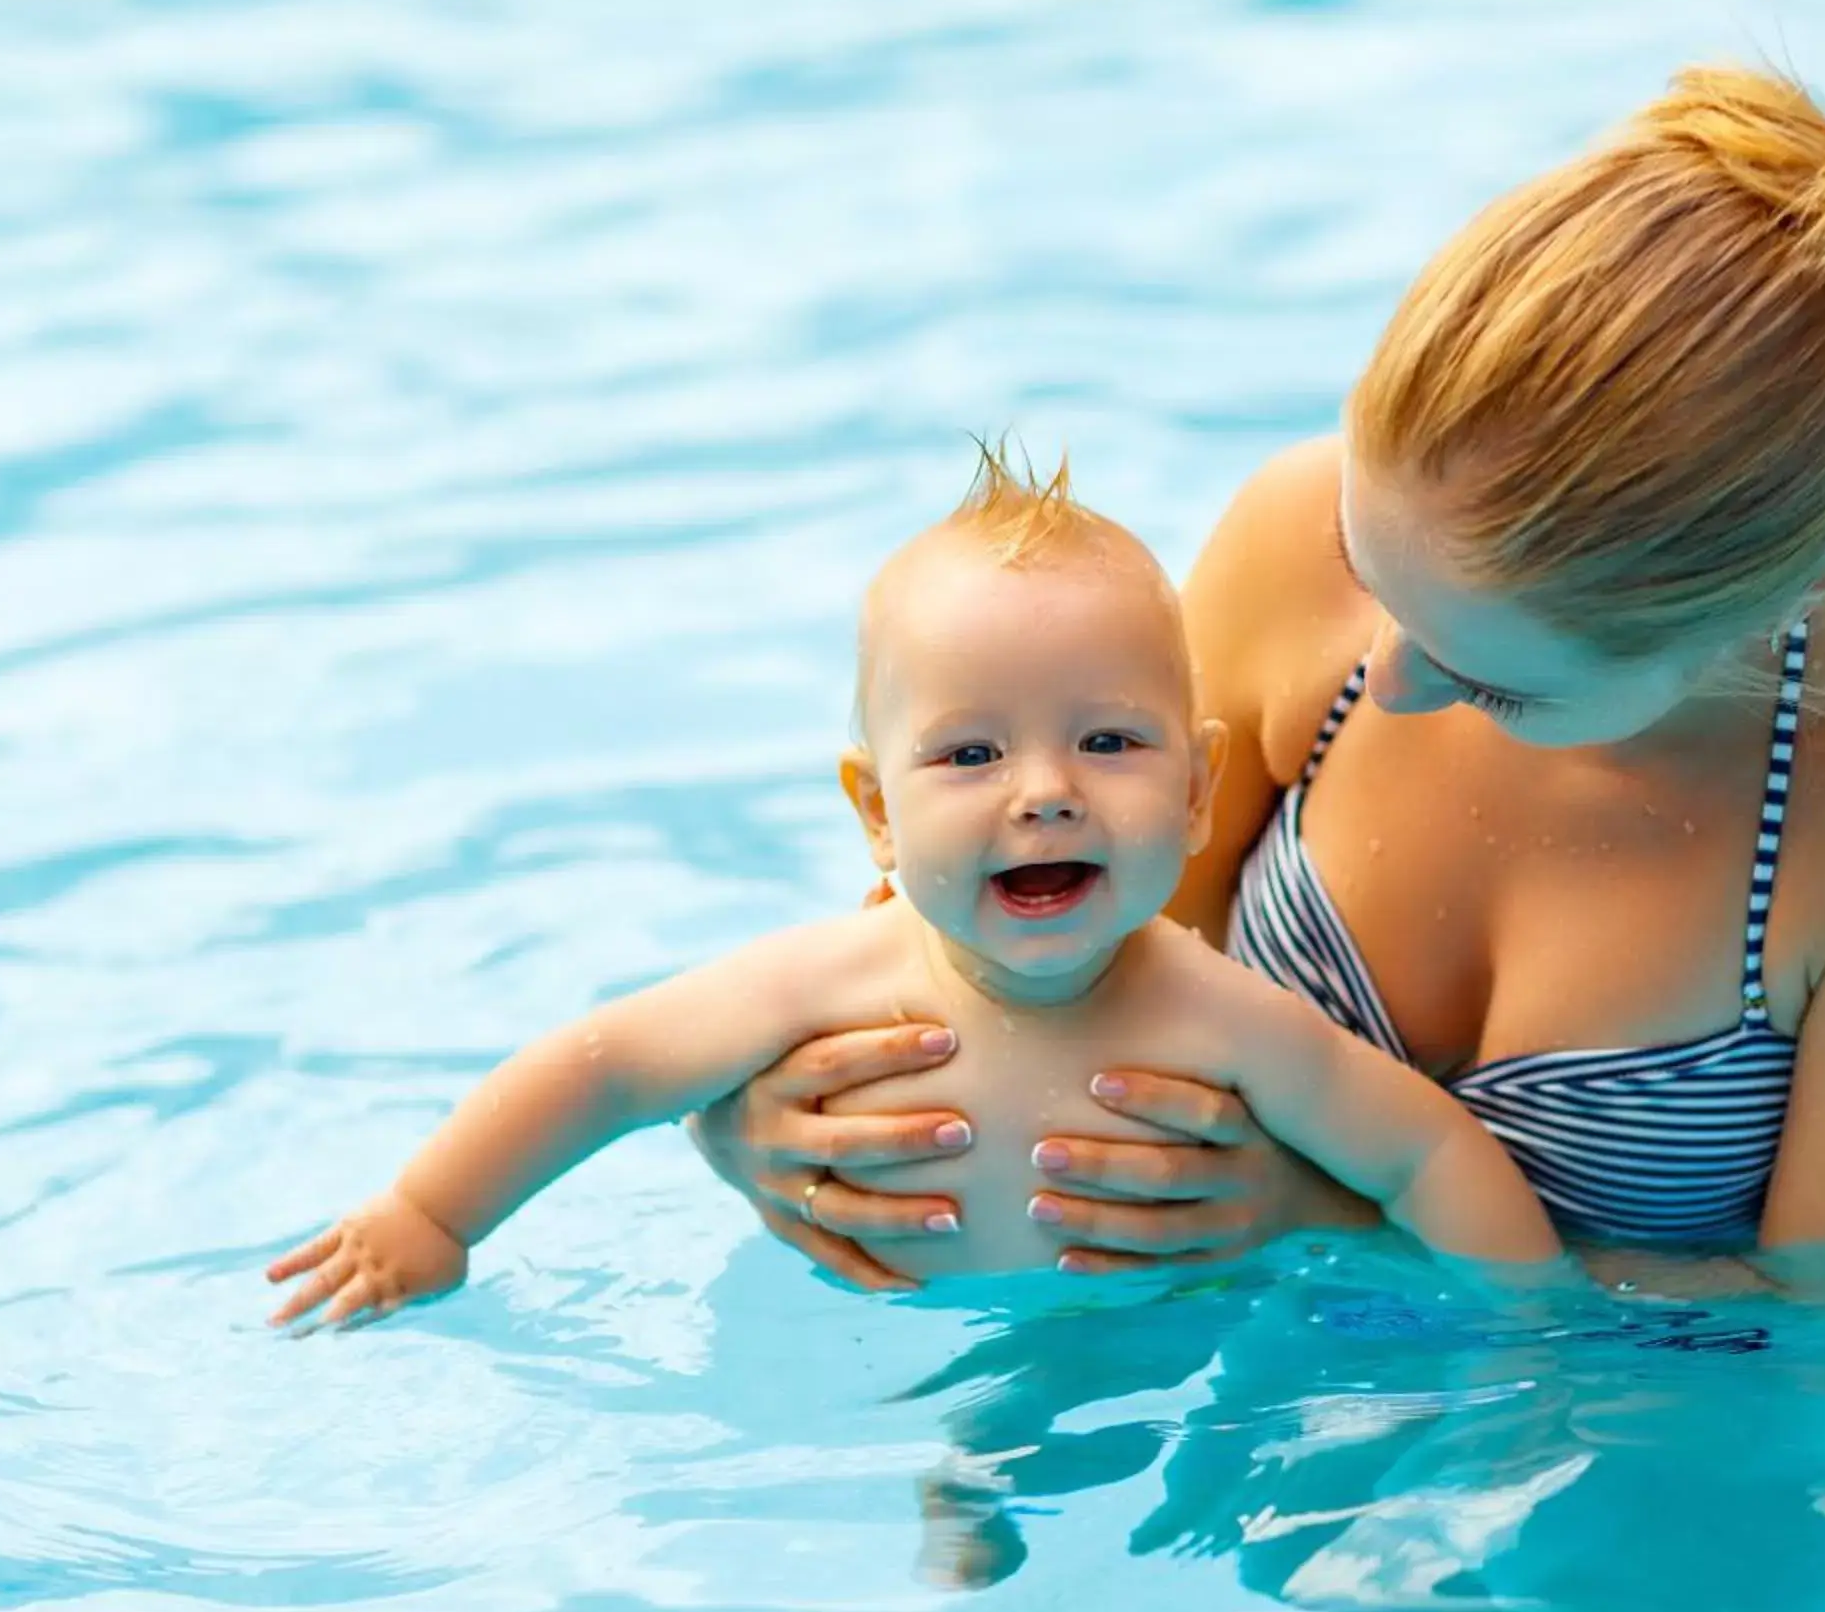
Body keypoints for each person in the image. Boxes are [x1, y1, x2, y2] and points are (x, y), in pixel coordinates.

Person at [697, 68, 1825, 1301]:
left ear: (1784, 597)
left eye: (1493, 683)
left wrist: (1331, 1225)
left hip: (1641, 1493)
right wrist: (777, 1118)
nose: (1383, 674)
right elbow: (1013, 958)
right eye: (1372, 567)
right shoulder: (1293, 534)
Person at [265, 450, 1560, 1328]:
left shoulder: (1225, 1019)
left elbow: (1428, 1152)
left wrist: (1530, 1326)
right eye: (971, 754)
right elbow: (601, 1066)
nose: (1045, 792)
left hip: (1164, 1329)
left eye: (1109, 743)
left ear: (1198, 793)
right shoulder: (826, 983)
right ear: (876, 812)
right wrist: (431, 1214)